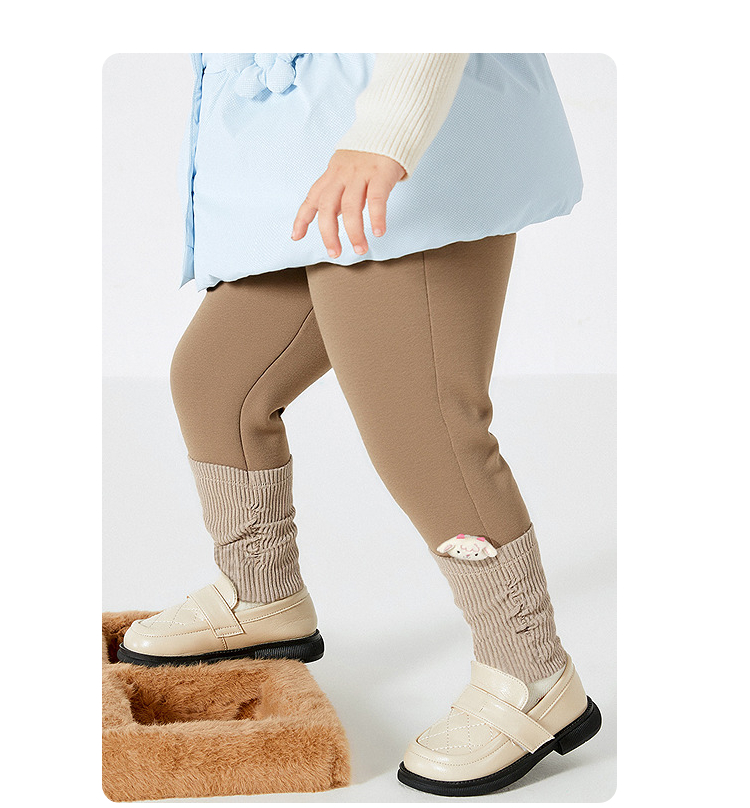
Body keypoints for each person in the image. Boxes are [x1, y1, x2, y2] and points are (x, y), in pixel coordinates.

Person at [117, 52, 601, 796]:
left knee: (424, 431)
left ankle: (530, 672)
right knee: (217, 382)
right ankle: (259, 592)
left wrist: (385, 134)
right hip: (306, 160)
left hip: (402, 150)